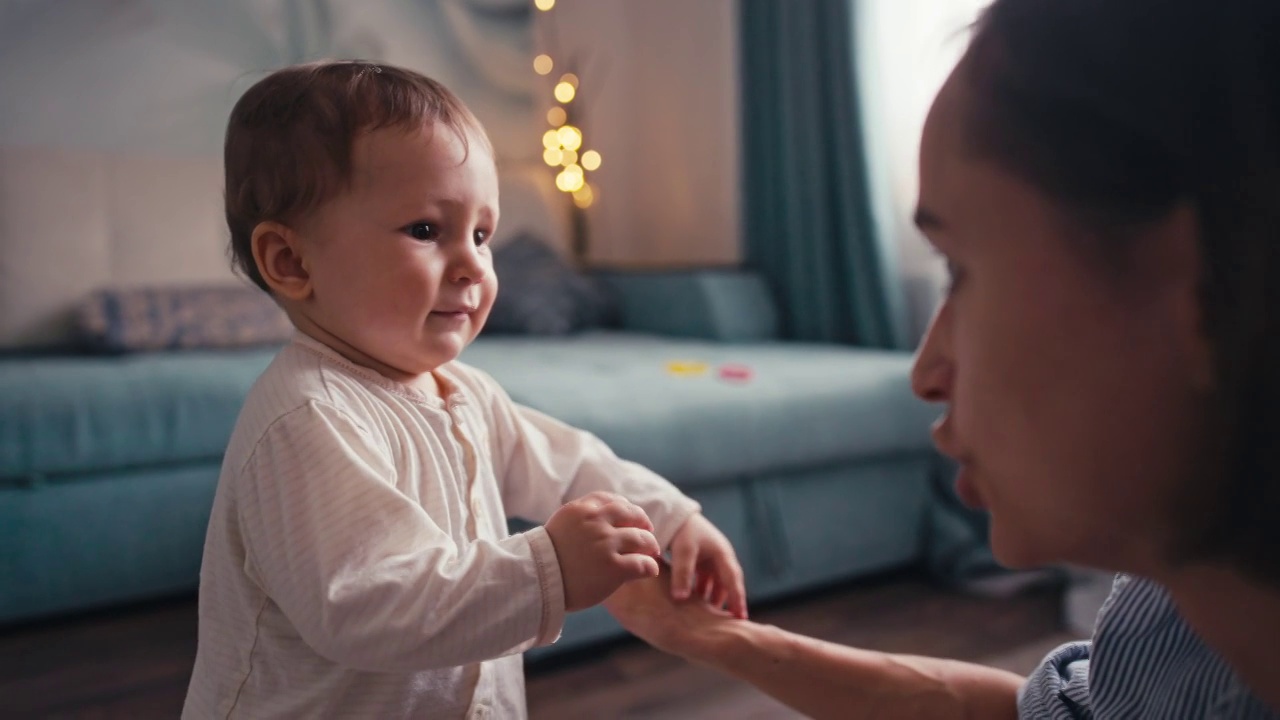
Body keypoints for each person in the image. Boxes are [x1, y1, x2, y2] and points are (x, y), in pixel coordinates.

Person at [604, 0, 1280, 717]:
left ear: (1200, 287)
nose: (924, 375)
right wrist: (712, 639)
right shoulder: (1178, 609)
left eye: (958, 267)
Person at [180, 60, 746, 719]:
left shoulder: (463, 392)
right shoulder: (310, 419)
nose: (474, 265)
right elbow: (367, 606)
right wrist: (548, 567)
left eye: (483, 235)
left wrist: (670, 517)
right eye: (426, 230)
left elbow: (568, 464)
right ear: (293, 261)